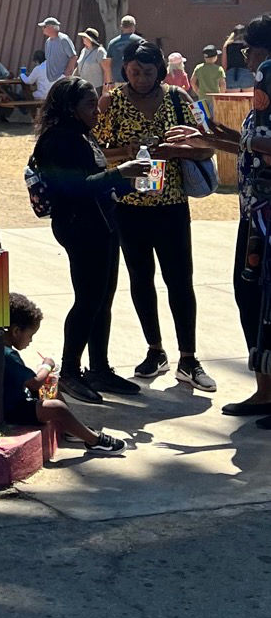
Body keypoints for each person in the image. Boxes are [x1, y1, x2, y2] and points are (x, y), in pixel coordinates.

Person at [94, 41, 217, 389]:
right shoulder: (113, 102)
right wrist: (128, 151)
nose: (142, 78)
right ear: (125, 71)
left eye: (149, 72)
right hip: (129, 208)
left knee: (180, 280)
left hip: (172, 206)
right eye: (135, 71)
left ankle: (189, 359)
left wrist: (172, 150)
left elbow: (207, 144)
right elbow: (99, 151)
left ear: (160, 71)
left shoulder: (180, 100)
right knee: (141, 279)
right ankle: (155, 350)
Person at [30, 77, 144, 400]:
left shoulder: (82, 134)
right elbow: (74, 188)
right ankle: (69, 372)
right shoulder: (56, 140)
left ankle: (99, 369)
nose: (97, 111)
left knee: (103, 298)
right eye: (90, 105)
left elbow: (97, 183)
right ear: (70, 108)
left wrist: (127, 182)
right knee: (87, 299)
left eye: (97, 103)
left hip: (103, 223)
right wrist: (121, 173)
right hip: (79, 227)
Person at [201, 17, 271, 420]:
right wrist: (215, 137)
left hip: (264, 216)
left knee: (257, 296)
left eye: (247, 48)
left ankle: (267, 392)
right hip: (256, 211)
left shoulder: (268, 74)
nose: (245, 56)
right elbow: (254, 144)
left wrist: (238, 139)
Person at [2, 293, 128, 453]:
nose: (30, 341)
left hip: (13, 399)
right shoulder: (7, 354)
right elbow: (35, 382)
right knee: (57, 407)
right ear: (16, 331)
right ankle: (94, 441)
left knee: (52, 389)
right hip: (12, 410)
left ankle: (72, 430)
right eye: (30, 335)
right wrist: (47, 365)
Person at [37, 17, 76, 83]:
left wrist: (65, 75)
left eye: (44, 27)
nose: (42, 29)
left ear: (51, 27)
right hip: (50, 80)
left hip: (62, 80)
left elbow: (73, 57)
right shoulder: (48, 42)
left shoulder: (63, 39)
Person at [103, 16, 139, 87]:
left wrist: (109, 82)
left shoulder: (113, 43)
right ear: (133, 26)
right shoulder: (140, 41)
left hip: (117, 82)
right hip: (135, 80)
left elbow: (108, 64)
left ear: (121, 27)